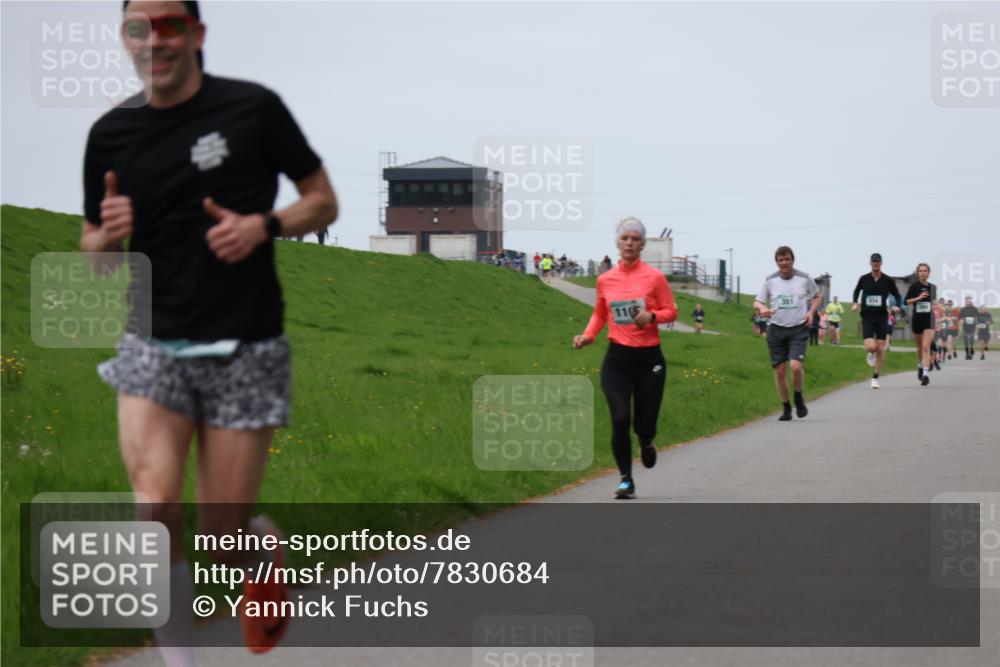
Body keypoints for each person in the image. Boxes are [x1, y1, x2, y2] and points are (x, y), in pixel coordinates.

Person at [82, 1, 338, 660]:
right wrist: (105, 237)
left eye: (170, 24)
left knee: (220, 536)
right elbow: (97, 255)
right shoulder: (110, 134)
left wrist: (264, 225)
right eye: (140, 26)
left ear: (196, 34)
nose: (155, 39)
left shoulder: (253, 110)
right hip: (152, 344)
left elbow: (323, 199)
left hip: (245, 345)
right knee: (155, 506)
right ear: (126, 39)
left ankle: (259, 548)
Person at [573, 217, 677, 499]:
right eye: (624, 238)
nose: (629, 243)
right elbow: (600, 313)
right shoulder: (605, 279)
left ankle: (646, 442)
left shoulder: (654, 278)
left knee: (644, 423)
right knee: (619, 417)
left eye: (635, 239)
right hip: (617, 359)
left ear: (642, 245)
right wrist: (588, 335)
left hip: (649, 359)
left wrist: (652, 316)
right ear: (617, 243)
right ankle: (625, 479)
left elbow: (671, 311)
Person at [754, 246, 821, 421]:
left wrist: (811, 312)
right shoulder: (770, 280)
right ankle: (786, 408)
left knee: (796, 366)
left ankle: (798, 396)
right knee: (780, 371)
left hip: (798, 328)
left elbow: (817, 297)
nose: (784, 263)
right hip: (776, 330)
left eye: (787, 259)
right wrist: (763, 309)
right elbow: (758, 301)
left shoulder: (805, 278)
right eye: (780, 260)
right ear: (777, 262)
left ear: (793, 260)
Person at [851, 253, 901, 389]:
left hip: (881, 317)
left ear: (881, 263)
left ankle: (875, 378)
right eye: (873, 261)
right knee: (871, 347)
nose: (875, 263)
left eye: (877, 261)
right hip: (867, 316)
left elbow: (897, 295)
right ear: (870, 263)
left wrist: (897, 305)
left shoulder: (887, 280)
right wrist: (855, 303)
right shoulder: (864, 278)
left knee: (881, 348)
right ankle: (870, 352)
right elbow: (856, 291)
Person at [904, 263, 936, 386]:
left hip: (929, 319)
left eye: (925, 271)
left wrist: (936, 306)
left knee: (926, 347)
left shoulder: (933, 287)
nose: (923, 273)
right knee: (919, 348)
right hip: (917, 319)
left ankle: (925, 374)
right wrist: (918, 298)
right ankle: (920, 365)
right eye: (921, 271)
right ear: (918, 273)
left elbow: (933, 302)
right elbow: (905, 301)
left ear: (929, 273)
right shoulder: (914, 286)